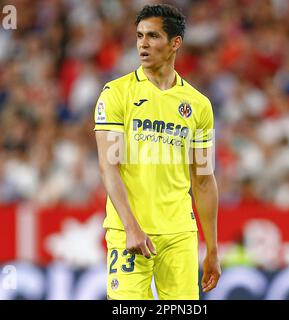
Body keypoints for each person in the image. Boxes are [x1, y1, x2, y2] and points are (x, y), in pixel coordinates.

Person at [94, 4, 220, 300]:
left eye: (152, 36)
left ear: (175, 43)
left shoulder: (198, 105)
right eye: (139, 36)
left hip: (179, 235)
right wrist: (131, 227)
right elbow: (108, 167)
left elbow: (203, 178)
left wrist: (212, 248)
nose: (143, 44)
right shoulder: (116, 94)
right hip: (128, 232)